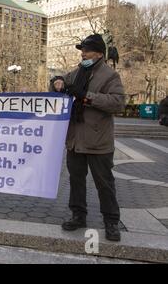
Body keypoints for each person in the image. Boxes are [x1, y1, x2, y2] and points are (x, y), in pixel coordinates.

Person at [51, 34, 126, 242]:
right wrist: (56, 82)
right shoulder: (77, 72)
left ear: (99, 54)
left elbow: (118, 102)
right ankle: (78, 216)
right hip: (75, 140)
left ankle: (111, 221)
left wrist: (86, 96)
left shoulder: (110, 75)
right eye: (82, 50)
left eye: (87, 50)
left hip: (98, 141)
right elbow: (60, 82)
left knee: (104, 183)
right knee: (76, 181)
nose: (83, 53)